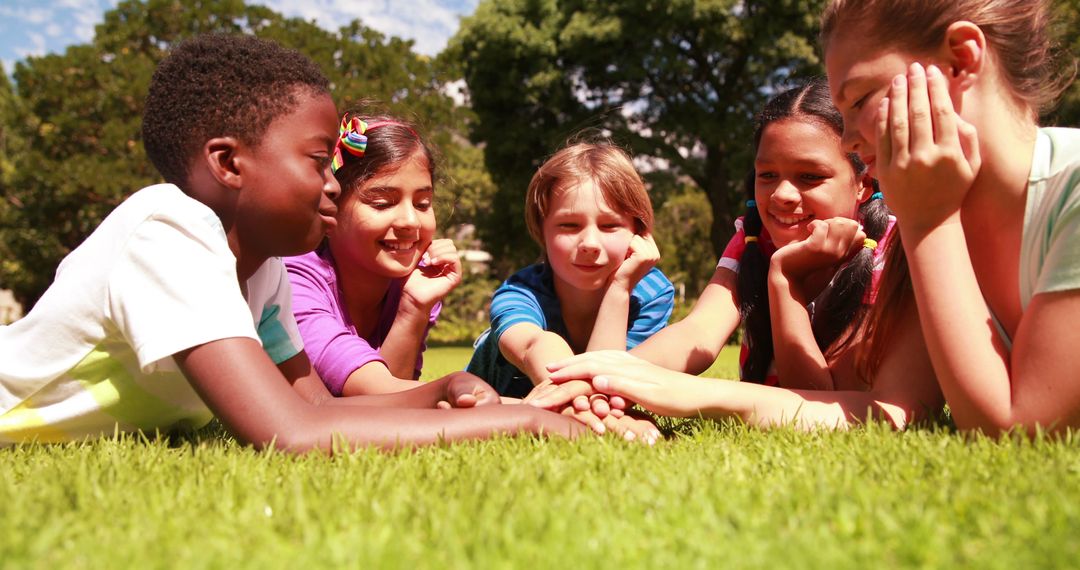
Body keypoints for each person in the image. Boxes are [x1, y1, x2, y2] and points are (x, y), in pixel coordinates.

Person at [0, 34, 583, 451]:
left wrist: (446, 388)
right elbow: (292, 432)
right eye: (317, 162)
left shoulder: (263, 269)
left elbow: (320, 407)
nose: (333, 186)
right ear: (229, 163)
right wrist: (521, 424)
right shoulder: (166, 228)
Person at [533, 80, 943, 429]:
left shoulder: (897, 251)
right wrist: (596, 382)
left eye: (810, 177)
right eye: (768, 175)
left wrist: (785, 278)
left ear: (862, 182)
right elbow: (698, 336)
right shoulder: (753, 238)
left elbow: (829, 397)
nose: (782, 195)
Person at [819, 0, 1080, 435]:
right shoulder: (936, 213)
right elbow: (893, 406)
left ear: (960, 59)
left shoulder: (1069, 188)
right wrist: (672, 388)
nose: (846, 141)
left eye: (860, 98)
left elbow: (1020, 432)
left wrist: (930, 223)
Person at [466, 141, 673, 439]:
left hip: (576, 403)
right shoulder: (519, 291)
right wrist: (595, 412)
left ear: (638, 231)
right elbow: (535, 346)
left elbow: (614, 377)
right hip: (500, 396)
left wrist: (620, 289)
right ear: (542, 230)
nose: (589, 243)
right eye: (569, 225)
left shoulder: (651, 292)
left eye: (609, 225)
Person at [284, 112, 460, 397]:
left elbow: (395, 402)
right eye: (382, 203)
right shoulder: (294, 283)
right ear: (331, 210)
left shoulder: (412, 286)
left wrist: (413, 308)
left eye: (423, 203)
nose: (410, 221)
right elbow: (380, 395)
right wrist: (522, 407)